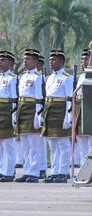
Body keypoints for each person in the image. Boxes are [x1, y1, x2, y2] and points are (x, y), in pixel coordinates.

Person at [41, 50, 73, 183]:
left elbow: (69, 99)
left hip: (61, 110)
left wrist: (68, 118)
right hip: (49, 109)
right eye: (50, 60)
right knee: (52, 144)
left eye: (53, 60)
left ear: (61, 61)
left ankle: (63, 172)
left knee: (63, 144)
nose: (51, 62)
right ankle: (54, 172)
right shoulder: (49, 78)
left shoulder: (67, 77)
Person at [15, 48, 45, 182]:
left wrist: (38, 116)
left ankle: (34, 172)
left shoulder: (38, 77)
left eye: (28, 59)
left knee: (34, 145)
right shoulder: (22, 77)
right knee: (25, 145)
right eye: (24, 59)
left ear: (35, 61)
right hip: (22, 109)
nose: (25, 61)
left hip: (32, 109)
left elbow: (39, 98)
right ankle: (27, 171)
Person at [0, 50, 17, 182]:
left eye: (3, 60)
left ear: (11, 63)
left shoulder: (12, 78)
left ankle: (8, 172)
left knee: (8, 144)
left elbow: (14, 99)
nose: (0, 62)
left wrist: (14, 117)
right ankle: (1, 170)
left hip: (7, 111)